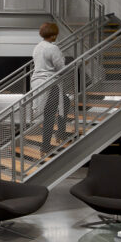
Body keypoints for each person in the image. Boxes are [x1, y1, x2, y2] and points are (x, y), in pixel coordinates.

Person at [30, 22, 71, 154]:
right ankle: (47, 145)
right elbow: (60, 67)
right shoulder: (53, 48)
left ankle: (59, 134)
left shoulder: (37, 47)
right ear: (53, 35)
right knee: (52, 112)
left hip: (38, 82)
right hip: (49, 83)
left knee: (63, 102)